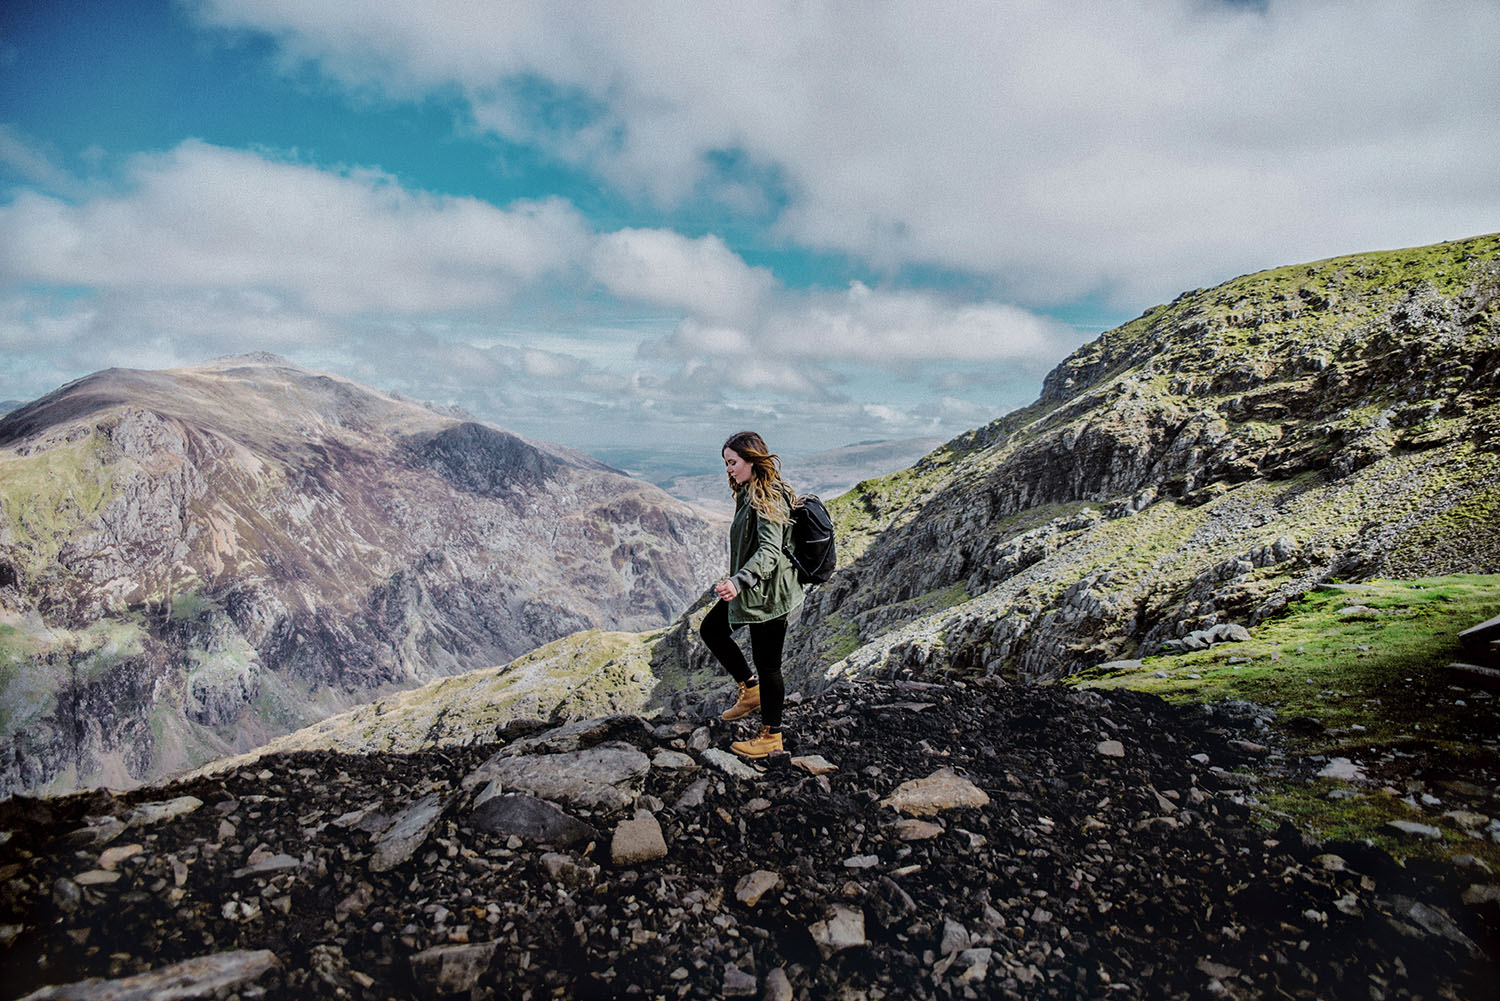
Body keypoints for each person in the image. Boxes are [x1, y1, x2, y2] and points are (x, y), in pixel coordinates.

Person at [699, 431, 803, 758]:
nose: (728, 469)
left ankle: (772, 735)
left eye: (733, 462)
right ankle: (751, 691)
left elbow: (771, 550)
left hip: (770, 594)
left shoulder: (767, 496)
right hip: (754, 589)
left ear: (751, 460)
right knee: (712, 630)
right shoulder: (749, 491)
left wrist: (739, 580)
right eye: (726, 463)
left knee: (768, 663)